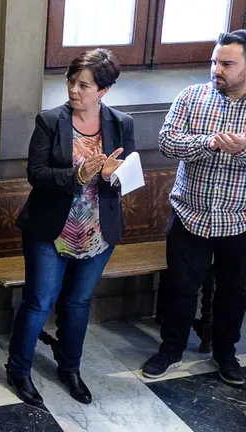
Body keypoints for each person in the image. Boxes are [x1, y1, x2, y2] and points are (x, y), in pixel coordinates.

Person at [6, 49, 134, 406]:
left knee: (78, 302)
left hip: (98, 230)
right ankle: (19, 368)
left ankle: (70, 368)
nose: (74, 90)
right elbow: (36, 174)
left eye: (84, 85)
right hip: (51, 230)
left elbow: (128, 177)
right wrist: (77, 175)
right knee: (38, 301)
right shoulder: (50, 120)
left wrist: (111, 177)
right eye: (71, 81)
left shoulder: (121, 123)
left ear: (103, 91)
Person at [142, 30, 246, 386]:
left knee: (235, 293)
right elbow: (168, 142)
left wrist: (243, 148)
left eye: (227, 63)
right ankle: (170, 350)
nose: (217, 69)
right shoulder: (192, 96)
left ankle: (226, 355)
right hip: (190, 215)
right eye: (215, 61)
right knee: (180, 289)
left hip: (239, 220)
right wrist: (211, 143)